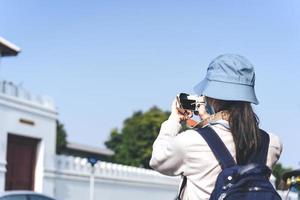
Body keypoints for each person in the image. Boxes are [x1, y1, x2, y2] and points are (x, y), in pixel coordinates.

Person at [149, 54, 283, 200]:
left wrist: (173, 121)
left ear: (211, 98)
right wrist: (209, 121)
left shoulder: (190, 142)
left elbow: (158, 160)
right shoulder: (272, 143)